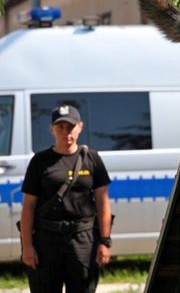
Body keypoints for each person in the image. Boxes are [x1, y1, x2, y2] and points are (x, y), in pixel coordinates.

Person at [20, 105, 112, 293]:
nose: (66, 132)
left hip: (83, 240)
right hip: (47, 241)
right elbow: (28, 207)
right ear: (51, 129)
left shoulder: (92, 159)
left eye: (70, 127)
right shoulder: (39, 161)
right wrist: (27, 247)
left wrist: (104, 241)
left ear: (80, 127)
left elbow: (103, 203)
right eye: (60, 127)